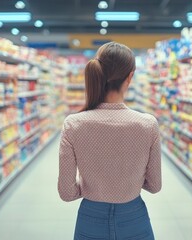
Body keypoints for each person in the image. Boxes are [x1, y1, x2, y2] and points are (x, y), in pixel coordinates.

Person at [58, 42, 162, 240]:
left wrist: (95, 185)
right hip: (134, 218)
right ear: (130, 77)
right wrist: (127, 183)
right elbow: (155, 185)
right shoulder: (147, 124)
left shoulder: (73, 124)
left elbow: (66, 192)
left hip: (90, 219)